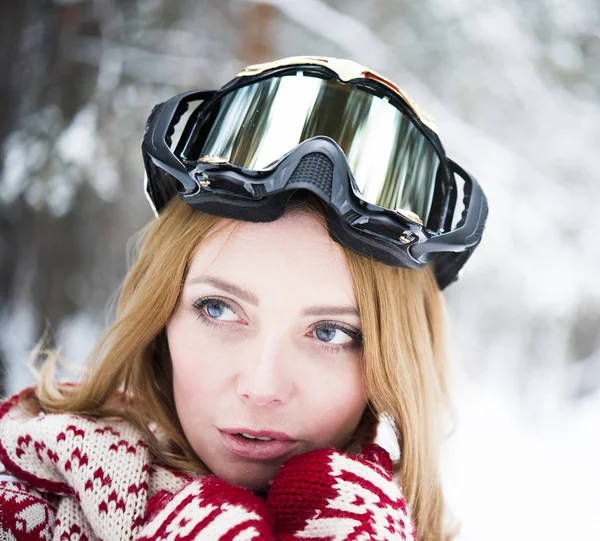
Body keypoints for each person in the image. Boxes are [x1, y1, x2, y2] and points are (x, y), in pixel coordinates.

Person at [0, 56, 487, 541]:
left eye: (331, 332)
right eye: (218, 309)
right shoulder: (24, 499)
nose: (261, 386)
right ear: (160, 311)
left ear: (394, 361)